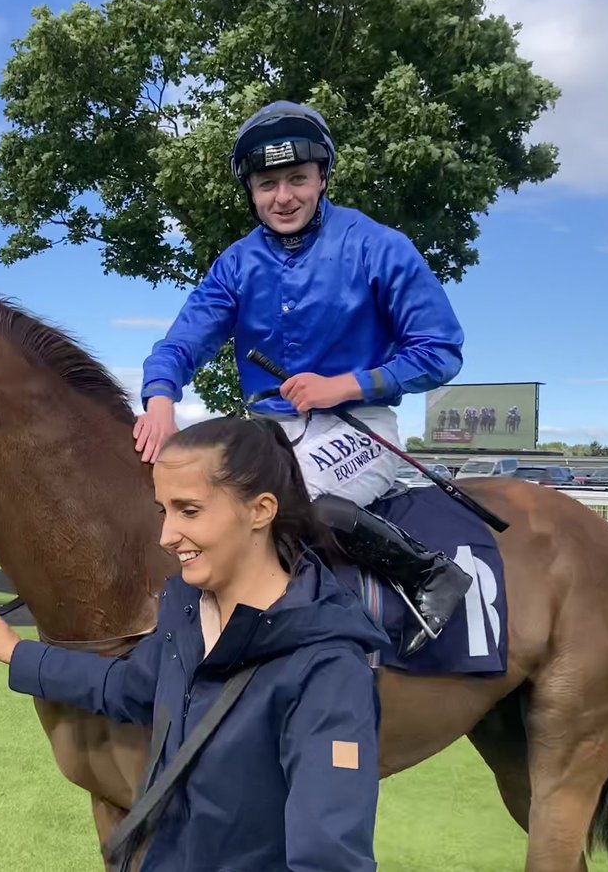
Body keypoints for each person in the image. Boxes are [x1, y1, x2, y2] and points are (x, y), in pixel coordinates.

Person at [0, 417, 386, 871]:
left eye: (189, 511)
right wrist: (16, 652)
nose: (166, 537)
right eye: (164, 510)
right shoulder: (185, 611)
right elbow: (127, 686)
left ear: (261, 510)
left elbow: (329, 860)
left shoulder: (328, 672)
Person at [132, 100, 469, 656]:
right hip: (267, 431)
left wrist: (345, 385)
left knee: (273, 506)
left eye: (297, 179)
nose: (283, 197)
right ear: (252, 190)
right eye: (268, 184)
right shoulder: (236, 264)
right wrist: (161, 399)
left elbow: (440, 351)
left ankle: (428, 573)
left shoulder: (378, 246)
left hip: (359, 426)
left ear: (322, 178)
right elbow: (181, 342)